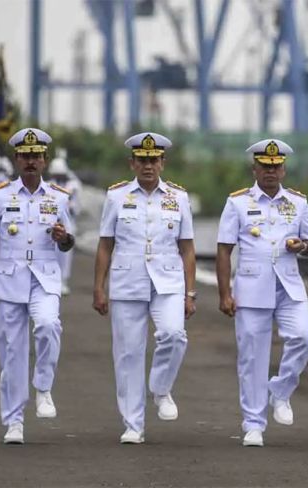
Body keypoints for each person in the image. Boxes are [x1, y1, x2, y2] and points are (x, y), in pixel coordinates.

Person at [92, 132, 196, 444]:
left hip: (168, 281)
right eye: (142, 160)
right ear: (132, 163)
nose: (148, 166)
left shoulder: (178, 197)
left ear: (163, 163)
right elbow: (105, 245)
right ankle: (133, 424)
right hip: (127, 281)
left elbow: (188, 248)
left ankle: (161, 387)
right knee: (128, 354)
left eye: (154, 160)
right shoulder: (116, 197)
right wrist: (99, 287)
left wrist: (190, 293)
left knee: (174, 334)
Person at [215, 139, 308, 447]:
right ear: (254, 168)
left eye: (276, 167)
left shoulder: (298, 203)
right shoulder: (237, 203)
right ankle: (253, 424)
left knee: (304, 337)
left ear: (284, 169)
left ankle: (281, 390)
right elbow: (223, 250)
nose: (270, 172)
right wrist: (224, 293)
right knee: (252, 357)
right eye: (265, 166)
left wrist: (301, 246)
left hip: (288, 285)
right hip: (251, 287)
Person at [0, 128, 75, 444]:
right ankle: (14, 421)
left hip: (44, 278)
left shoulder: (59, 198)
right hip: (8, 281)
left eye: (36, 156)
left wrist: (64, 238)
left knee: (48, 325)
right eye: (25, 156)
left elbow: (68, 241)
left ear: (45, 160)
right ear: (17, 160)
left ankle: (43, 387)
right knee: (12, 353)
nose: (31, 161)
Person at [48, 149, 82, 295]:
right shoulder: (48, 185)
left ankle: (64, 280)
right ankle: (53, 280)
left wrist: (74, 208)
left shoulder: (73, 184)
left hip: (68, 222)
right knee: (52, 252)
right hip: (52, 222)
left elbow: (78, 202)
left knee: (66, 253)